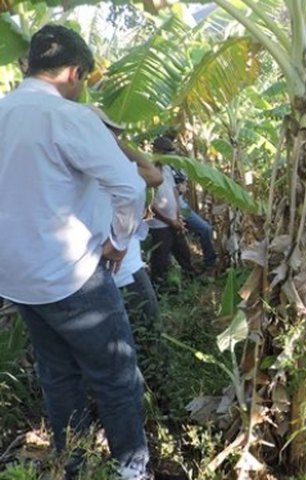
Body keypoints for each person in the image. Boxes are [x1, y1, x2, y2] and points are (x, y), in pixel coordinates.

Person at [0, 25, 150, 479]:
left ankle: (76, 466)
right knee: (115, 375)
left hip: (18, 279)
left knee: (58, 377)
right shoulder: (69, 117)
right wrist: (118, 242)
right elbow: (131, 186)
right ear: (72, 72)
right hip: (72, 276)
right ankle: (131, 468)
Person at [88, 106, 168, 394]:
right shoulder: (111, 166)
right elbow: (153, 176)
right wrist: (118, 144)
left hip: (94, 275)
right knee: (147, 338)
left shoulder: (73, 165)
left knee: (113, 347)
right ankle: (155, 398)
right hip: (125, 272)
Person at [147, 136, 197, 288]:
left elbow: (174, 191)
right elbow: (150, 203)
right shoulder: (147, 171)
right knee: (160, 259)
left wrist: (177, 217)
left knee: (183, 253)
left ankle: (192, 282)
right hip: (159, 224)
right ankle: (158, 289)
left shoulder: (167, 169)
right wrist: (169, 221)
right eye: (166, 153)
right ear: (156, 151)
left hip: (174, 220)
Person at [175, 173, 218, 268]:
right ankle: (209, 262)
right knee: (205, 229)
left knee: (205, 229)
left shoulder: (177, 167)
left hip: (183, 206)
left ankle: (209, 262)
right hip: (176, 208)